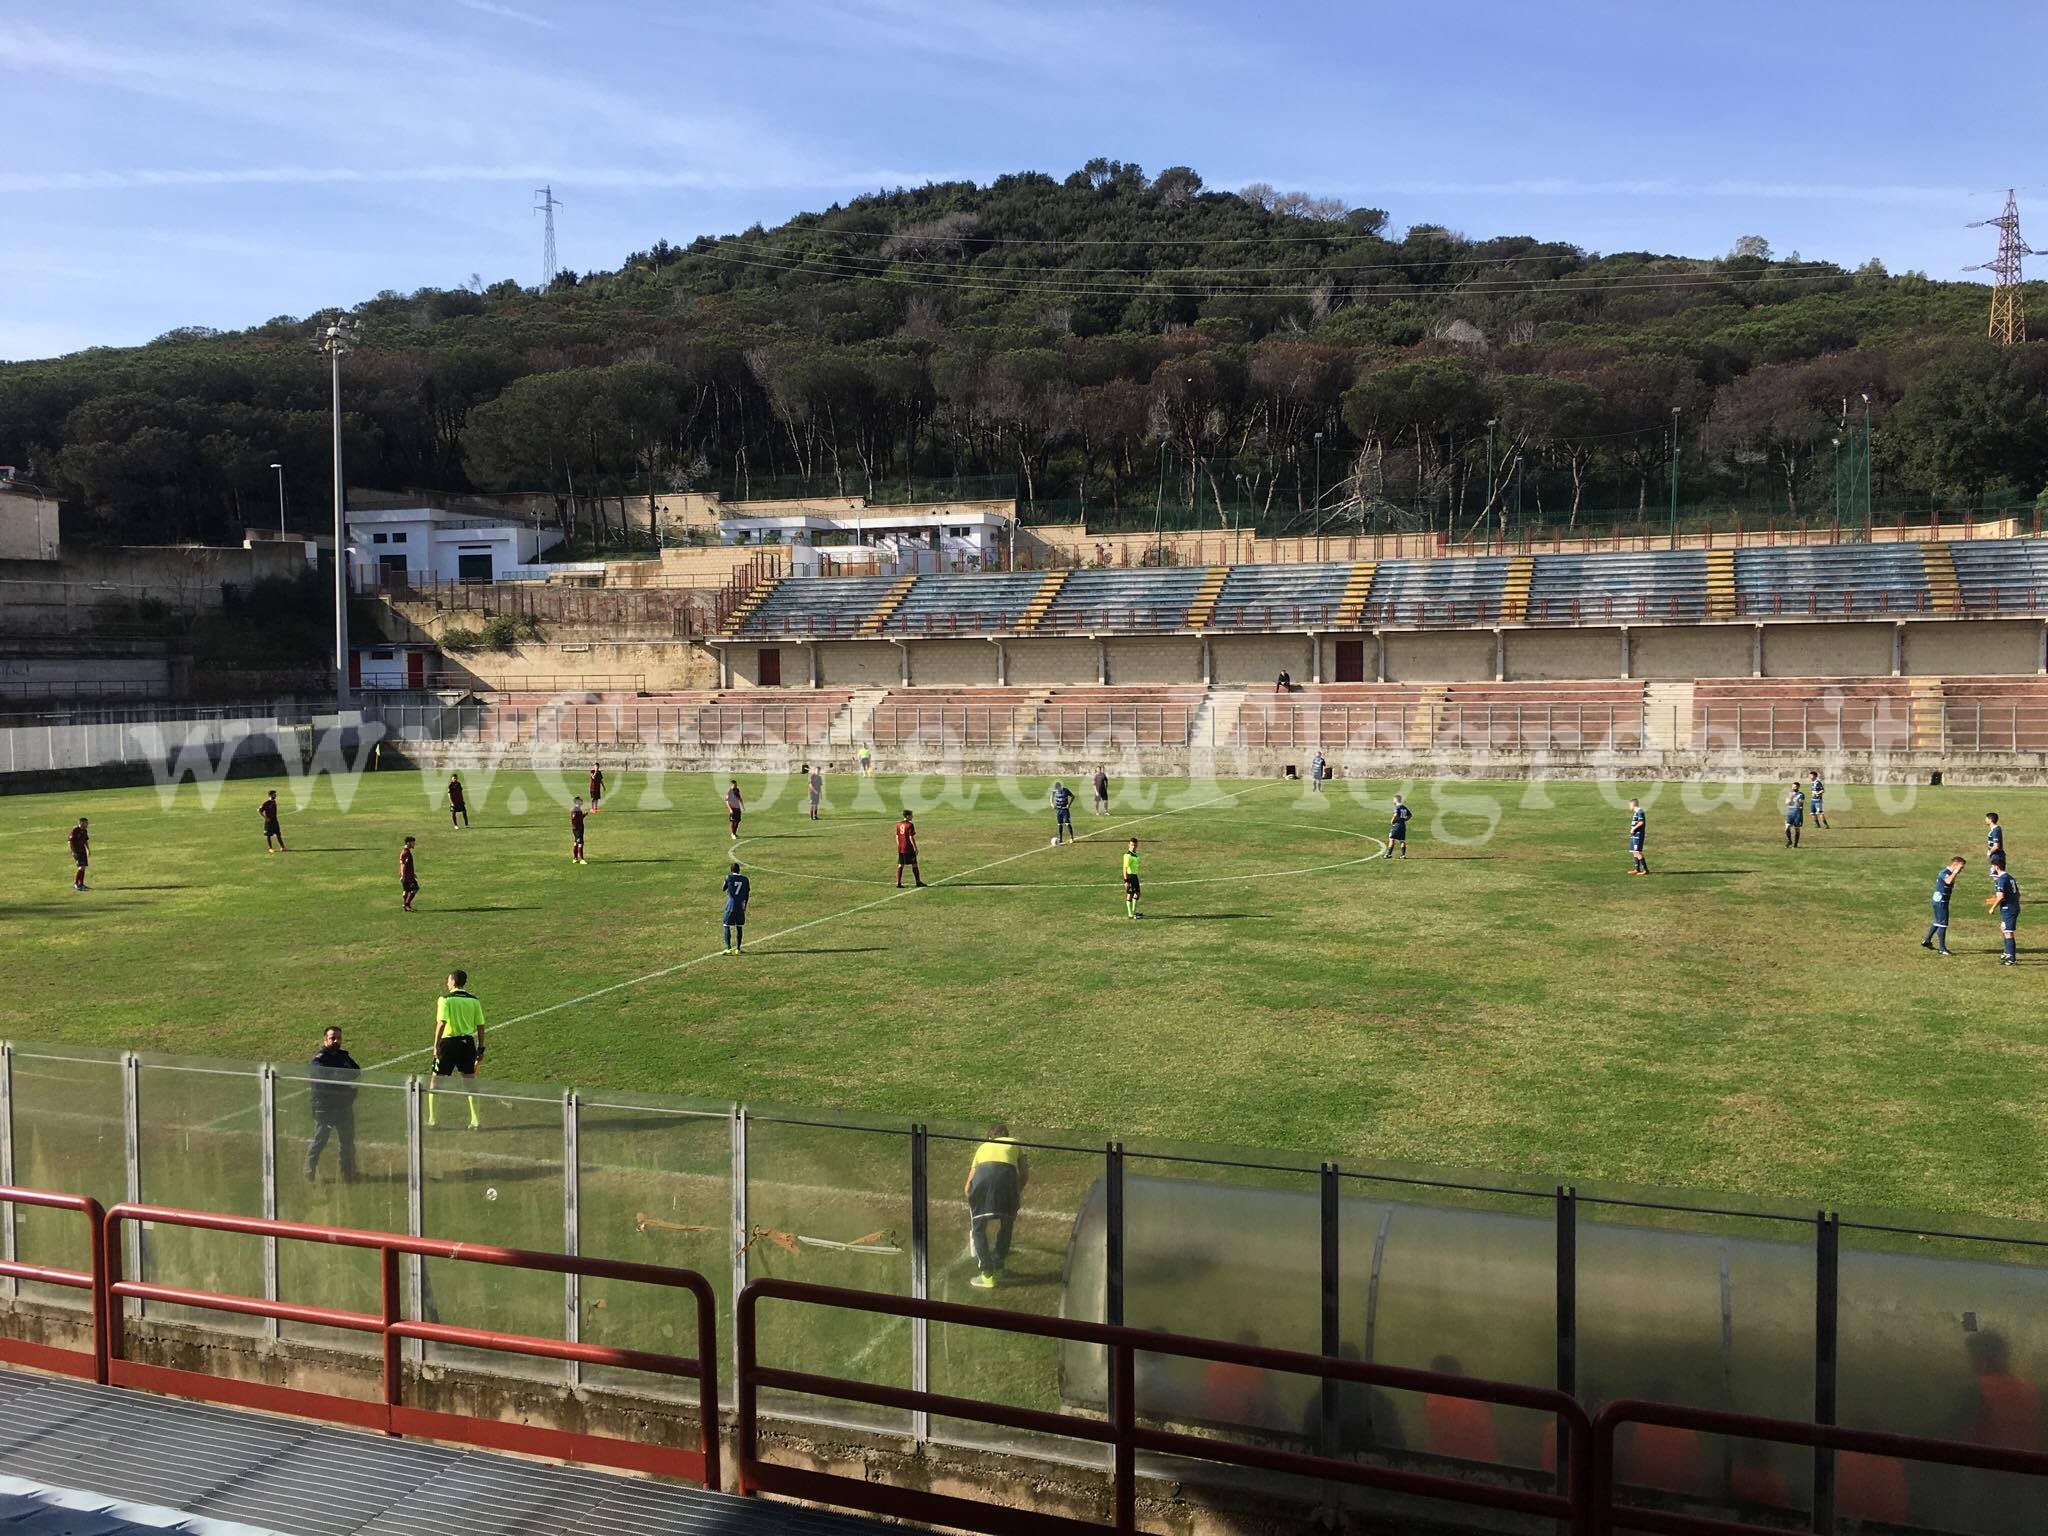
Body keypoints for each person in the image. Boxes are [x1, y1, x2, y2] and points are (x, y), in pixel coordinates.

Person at [965, 1123, 1028, 1289]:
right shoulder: (1015, 1143)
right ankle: (999, 1264)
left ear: (989, 1137)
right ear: (1007, 1135)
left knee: (978, 1229)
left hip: (982, 1183)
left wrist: (973, 1203)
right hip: (1007, 1183)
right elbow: (1024, 1174)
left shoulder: (982, 1148)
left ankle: (987, 1274)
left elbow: (968, 1184)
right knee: (1007, 1224)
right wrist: (1016, 1193)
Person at [429, 969, 485, 1130]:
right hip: (467, 1044)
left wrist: (436, 1045)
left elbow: (442, 1023)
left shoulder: (445, 1000)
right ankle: (475, 1121)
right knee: (470, 1082)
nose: (447, 983)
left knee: (436, 1081)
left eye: (448, 980)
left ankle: (433, 1120)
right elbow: (480, 1026)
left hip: (448, 1044)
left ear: (453, 981)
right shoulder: (474, 1000)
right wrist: (481, 1048)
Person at [303, 1025, 360, 1182]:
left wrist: (338, 1076)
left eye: (338, 1038)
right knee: (320, 1141)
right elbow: (323, 1076)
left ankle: (347, 1173)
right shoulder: (319, 1059)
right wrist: (341, 1075)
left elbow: (355, 1071)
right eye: (332, 1038)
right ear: (325, 1039)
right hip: (325, 1108)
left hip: (343, 1106)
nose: (336, 1040)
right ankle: (309, 1172)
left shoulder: (342, 1056)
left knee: (347, 1141)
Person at [1422, 1356, 1500, 1462]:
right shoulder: (1474, 1397)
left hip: (1447, 1461)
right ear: (1459, 1372)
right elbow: (1487, 1433)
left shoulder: (1432, 1399)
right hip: (1483, 1462)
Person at [1924, 856, 1965, 954]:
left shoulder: (1949, 873)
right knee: (1942, 924)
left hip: (1940, 901)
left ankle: (1927, 940)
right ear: (1955, 864)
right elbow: (1948, 881)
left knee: (1938, 921)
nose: (1961, 870)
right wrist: (1955, 872)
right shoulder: (1944, 873)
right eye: (1961, 867)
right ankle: (1942, 949)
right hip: (1941, 902)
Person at [1988, 856, 2020, 966]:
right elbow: (2017, 894)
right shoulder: (2010, 877)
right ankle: (2007, 953)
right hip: (2012, 907)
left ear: (1996, 867)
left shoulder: (2001, 879)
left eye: (1992, 866)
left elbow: (2001, 896)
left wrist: (1993, 907)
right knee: (2004, 929)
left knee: (2008, 932)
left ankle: (2011, 958)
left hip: (2008, 908)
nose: (1992, 868)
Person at [722, 860, 751, 954]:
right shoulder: (745, 879)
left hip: (730, 905)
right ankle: (738, 948)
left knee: (726, 925)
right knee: (739, 926)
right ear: (739, 870)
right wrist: (745, 905)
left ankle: (729, 948)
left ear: (731, 870)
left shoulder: (728, 877)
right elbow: (747, 893)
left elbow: (723, 888)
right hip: (740, 906)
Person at [895, 809, 924, 888]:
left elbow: (897, 837)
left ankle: (898, 882)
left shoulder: (898, 824)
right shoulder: (910, 825)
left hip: (901, 848)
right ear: (907, 816)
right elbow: (911, 837)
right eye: (911, 815)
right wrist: (915, 848)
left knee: (900, 864)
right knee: (914, 864)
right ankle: (918, 882)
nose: (912, 816)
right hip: (909, 848)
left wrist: (899, 845)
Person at [1384, 795, 1411, 860]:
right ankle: (1403, 855)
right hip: (1403, 826)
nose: (1393, 801)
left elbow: (1395, 814)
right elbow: (1410, 815)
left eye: (1393, 799)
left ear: (1396, 800)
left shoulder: (1397, 807)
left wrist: (1392, 821)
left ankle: (1388, 854)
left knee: (1391, 839)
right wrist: (1404, 820)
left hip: (1396, 825)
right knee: (1402, 840)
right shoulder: (1404, 807)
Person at [67, 816, 89, 892]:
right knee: (81, 867)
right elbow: (70, 842)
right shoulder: (75, 830)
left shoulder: (84, 831)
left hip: (83, 851)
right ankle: (76, 884)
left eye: (87, 823)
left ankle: (81, 884)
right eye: (85, 823)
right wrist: (73, 852)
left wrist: (88, 849)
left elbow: (85, 840)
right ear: (80, 823)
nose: (87, 824)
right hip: (77, 852)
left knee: (83, 867)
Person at [1628, 798, 1648, 875]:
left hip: (1638, 835)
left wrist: (1633, 828)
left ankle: (1645, 870)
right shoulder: (1636, 812)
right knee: (1634, 852)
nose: (1629, 807)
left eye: (1629, 805)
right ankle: (1637, 869)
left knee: (1637, 852)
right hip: (1634, 835)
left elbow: (1641, 822)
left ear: (1633, 804)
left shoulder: (1640, 811)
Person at [1122, 837, 1142, 919]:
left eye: (1135, 845)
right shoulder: (1128, 855)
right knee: (1130, 894)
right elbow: (1124, 868)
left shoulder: (1135, 854)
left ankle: (1133, 912)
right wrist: (1126, 880)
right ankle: (1130, 914)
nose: (1133, 846)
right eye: (1132, 845)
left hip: (1135, 876)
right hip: (1130, 876)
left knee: (1137, 893)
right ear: (1129, 845)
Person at [1050, 780, 1075, 844]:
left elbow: (1073, 796)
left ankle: (1071, 838)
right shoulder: (1054, 791)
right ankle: (1060, 838)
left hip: (1065, 809)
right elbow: (1051, 797)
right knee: (1059, 824)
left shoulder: (1065, 790)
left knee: (1067, 823)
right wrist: (1052, 804)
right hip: (1058, 810)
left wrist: (1069, 805)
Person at [399, 835, 419, 912]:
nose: (414, 844)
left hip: (407, 875)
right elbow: (403, 864)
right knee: (415, 889)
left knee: (406, 890)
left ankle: (406, 905)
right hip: (407, 876)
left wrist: (412, 873)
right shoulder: (406, 853)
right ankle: (406, 905)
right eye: (413, 843)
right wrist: (403, 876)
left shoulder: (405, 851)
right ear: (408, 843)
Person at [1782, 783, 1805, 848]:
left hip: (1798, 813)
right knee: (1787, 827)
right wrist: (1790, 798)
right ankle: (1789, 841)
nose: (1794, 788)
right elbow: (1786, 802)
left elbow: (1800, 804)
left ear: (1798, 787)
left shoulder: (1801, 794)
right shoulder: (1790, 794)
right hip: (1790, 813)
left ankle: (1796, 844)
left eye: (1795, 787)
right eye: (1793, 787)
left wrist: (1795, 800)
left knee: (1797, 829)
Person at [570, 796, 587, 864]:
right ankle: (581, 859)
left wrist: (584, 815)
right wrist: (576, 827)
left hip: (579, 828)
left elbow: (579, 819)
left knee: (576, 842)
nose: (582, 801)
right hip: (577, 829)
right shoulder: (575, 810)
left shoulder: (578, 809)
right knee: (580, 843)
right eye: (580, 800)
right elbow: (574, 819)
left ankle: (575, 858)